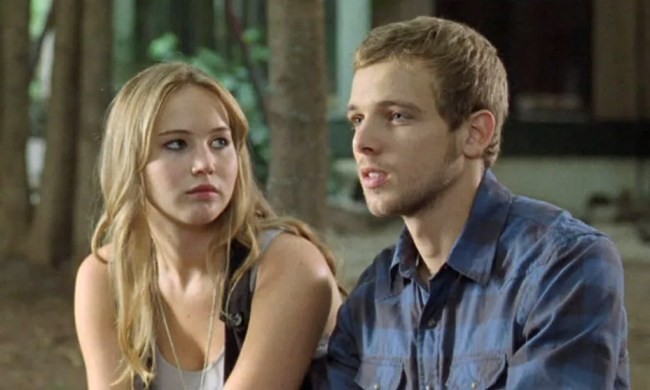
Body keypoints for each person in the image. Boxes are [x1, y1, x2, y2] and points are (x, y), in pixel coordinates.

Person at [326, 16, 629, 389]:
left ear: (475, 134)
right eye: (357, 118)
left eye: (397, 116)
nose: (362, 141)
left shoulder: (562, 265)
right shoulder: (375, 293)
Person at [74, 62, 343, 390]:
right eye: (176, 144)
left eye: (219, 142)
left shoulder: (291, 265)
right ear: (131, 161)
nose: (205, 165)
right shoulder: (105, 277)